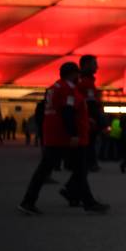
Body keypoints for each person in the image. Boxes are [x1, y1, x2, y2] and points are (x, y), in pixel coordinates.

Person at [18, 62, 109, 215]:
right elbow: (67, 111)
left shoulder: (55, 87)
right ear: (73, 74)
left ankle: (87, 202)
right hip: (63, 137)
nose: (79, 77)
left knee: (64, 168)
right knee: (77, 168)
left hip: (54, 135)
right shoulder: (68, 89)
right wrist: (73, 134)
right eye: (77, 74)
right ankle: (29, 201)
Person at [77, 55, 103, 171]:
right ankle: (87, 163)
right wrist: (94, 118)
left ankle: (88, 163)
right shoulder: (85, 82)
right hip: (87, 120)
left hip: (87, 119)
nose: (97, 67)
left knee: (89, 142)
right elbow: (90, 103)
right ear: (86, 65)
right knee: (88, 141)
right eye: (94, 64)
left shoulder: (85, 81)